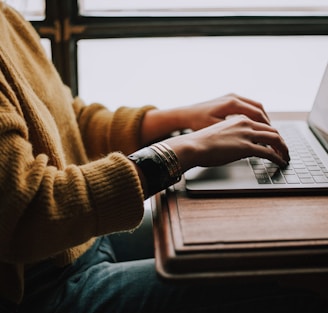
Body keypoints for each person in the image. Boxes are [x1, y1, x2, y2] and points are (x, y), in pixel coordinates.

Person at [0, 2, 326, 313]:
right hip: (42, 291)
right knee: (296, 280)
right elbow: (31, 211)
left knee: (258, 242)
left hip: (77, 242)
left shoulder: (6, 17)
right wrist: (183, 150)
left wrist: (180, 118)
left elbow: (70, 122)